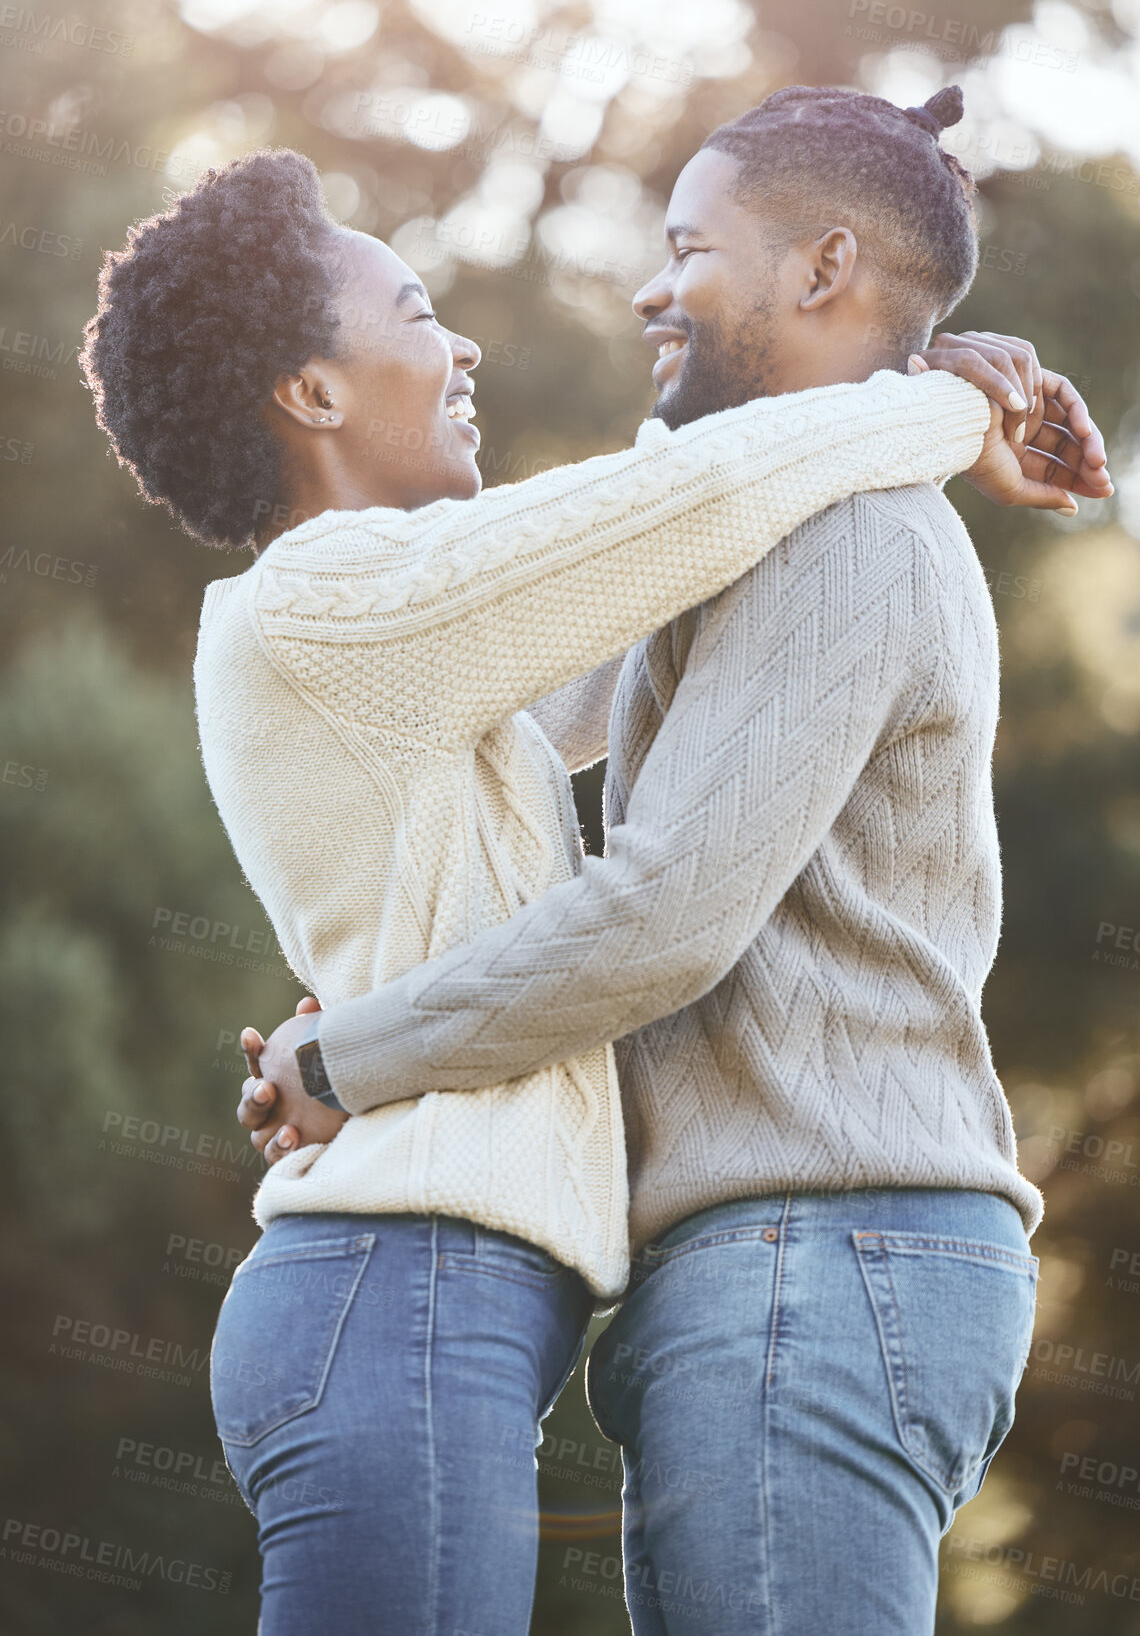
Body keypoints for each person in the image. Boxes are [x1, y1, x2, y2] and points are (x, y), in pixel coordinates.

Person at [235, 88, 1111, 1635]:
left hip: (815, 1254)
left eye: (689, 246)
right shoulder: (786, 523)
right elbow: (604, 599)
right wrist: (926, 389)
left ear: (825, 266)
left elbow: (659, 915)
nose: (648, 285)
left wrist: (344, 1057)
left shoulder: (846, 538)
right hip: (783, 1263)